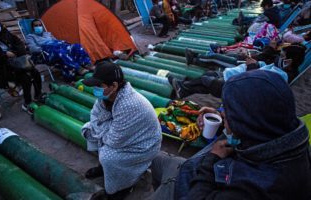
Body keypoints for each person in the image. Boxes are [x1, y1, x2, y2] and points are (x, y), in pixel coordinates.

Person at [149, 70, 311, 200]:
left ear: (246, 124)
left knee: (157, 164)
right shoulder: (282, 133)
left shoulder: (261, 186)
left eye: (229, 112)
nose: (223, 113)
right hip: (191, 169)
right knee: (155, 159)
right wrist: (222, 122)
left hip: (189, 185)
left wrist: (212, 159)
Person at [81, 61, 162, 199]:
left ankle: (122, 186)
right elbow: (94, 116)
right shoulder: (106, 96)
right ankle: (105, 170)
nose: (95, 89)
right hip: (122, 133)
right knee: (88, 130)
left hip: (143, 145)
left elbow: (115, 141)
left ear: (114, 85)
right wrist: (103, 130)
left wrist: (101, 130)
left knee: (108, 156)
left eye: (99, 85)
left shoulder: (129, 104)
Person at [171, 44, 306, 98]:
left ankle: (183, 88)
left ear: (289, 61)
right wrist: (255, 63)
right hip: (240, 77)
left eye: (282, 56)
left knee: (208, 80)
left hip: (241, 89)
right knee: (209, 75)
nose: (279, 57)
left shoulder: (282, 76)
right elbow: (263, 65)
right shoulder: (280, 67)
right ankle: (183, 89)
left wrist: (253, 65)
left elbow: (257, 82)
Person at [0, 14, 43, 112]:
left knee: (35, 73)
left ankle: (38, 95)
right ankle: (27, 103)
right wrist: (5, 55)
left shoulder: (4, 32)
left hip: (15, 63)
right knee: (26, 77)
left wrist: (16, 52)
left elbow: (19, 43)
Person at [26, 19, 92, 81]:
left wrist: (58, 45)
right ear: (32, 28)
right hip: (46, 54)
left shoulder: (48, 34)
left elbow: (56, 41)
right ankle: (77, 69)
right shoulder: (30, 36)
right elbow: (32, 49)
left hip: (57, 48)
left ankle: (86, 64)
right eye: (36, 25)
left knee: (77, 46)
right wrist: (45, 48)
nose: (38, 27)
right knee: (60, 52)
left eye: (40, 25)